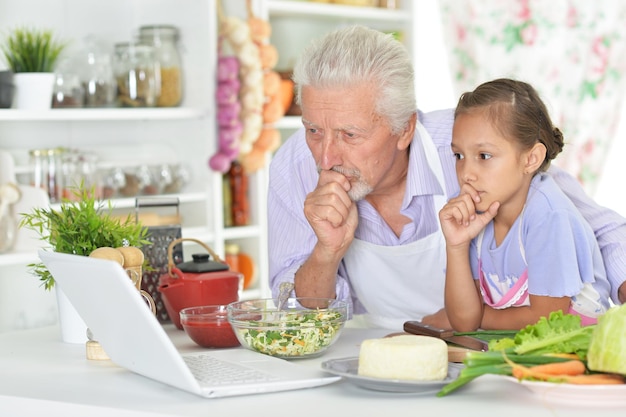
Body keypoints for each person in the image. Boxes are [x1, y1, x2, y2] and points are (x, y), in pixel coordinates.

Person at [267, 25, 626, 329]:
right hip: (380, 352)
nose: (326, 157)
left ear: (405, 129)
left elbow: (604, 233)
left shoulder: (471, 145)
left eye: (350, 135)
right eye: (313, 130)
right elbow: (297, 321)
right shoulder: (292, 168)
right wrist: (326, 253)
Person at [439, 78, 611, 332]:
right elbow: (464, 321)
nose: (466, 173)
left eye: (484, 156)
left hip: (571, 347)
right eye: (459, 156)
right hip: (517, 343)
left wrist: (473, 317)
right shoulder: (474, 210)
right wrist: (456, 244)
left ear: (531, 159)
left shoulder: (549, 215)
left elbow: (547, 319)